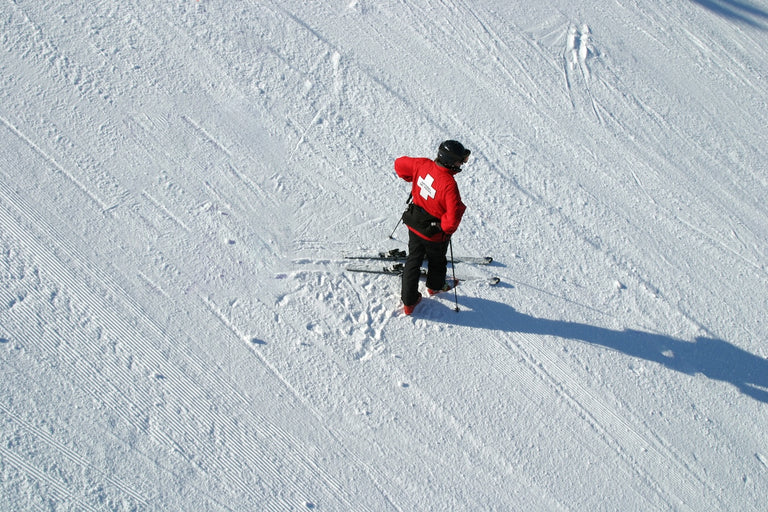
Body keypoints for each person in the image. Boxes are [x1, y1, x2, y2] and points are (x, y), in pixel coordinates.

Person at [395, 140, 469, 315]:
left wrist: (411, 177)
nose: (462, 164)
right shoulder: (449, 185)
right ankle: (435, 287)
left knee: (414, 258)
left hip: (414, 223)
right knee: (437, 260)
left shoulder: (423, 164)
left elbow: (399, 164)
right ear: (451, 161)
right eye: (460, 161)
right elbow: (451, 223)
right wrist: (442, 228)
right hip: (433, 234)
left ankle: (409, 302)